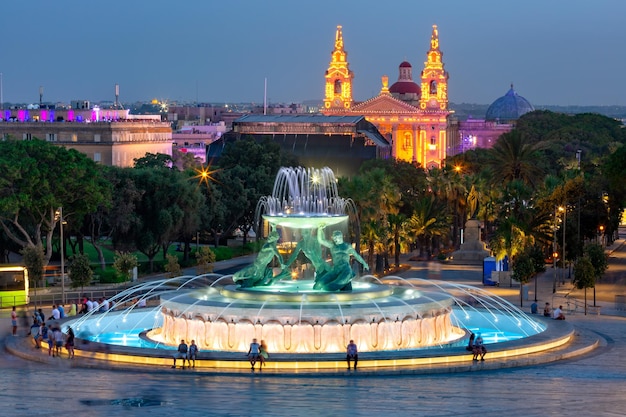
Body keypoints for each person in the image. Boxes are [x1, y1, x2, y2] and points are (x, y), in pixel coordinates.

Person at [315, 226, 369, 291]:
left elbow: (357, 255)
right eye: (334, 238)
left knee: (330, 287)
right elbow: (321, 240)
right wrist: (319, 229)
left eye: (336, 238)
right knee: (318, 285)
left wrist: (364, 263)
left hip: (345, 269)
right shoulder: (332, 245)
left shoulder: (347, 246)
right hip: (335, 269)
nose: (334, 240)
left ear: (340, 237)